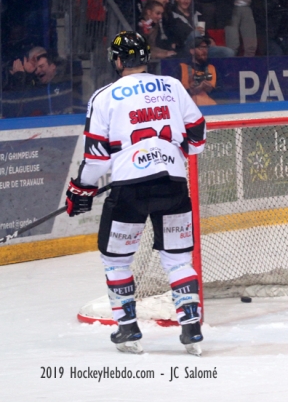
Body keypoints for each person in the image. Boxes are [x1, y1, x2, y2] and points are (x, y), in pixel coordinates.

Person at [65, 31, 206, 355]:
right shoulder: (172, 86)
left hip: (130, 189)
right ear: (146, 57)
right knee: (178, 259)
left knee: (116, 261)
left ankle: (128, 331)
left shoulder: (104, 96)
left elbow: (97, 161)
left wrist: (81, 189)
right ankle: (192, 329)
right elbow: (198, 135)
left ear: (116, 60)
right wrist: (171, 155)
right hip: (172, 184)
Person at [179, 37, 217, 106]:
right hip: (189, 107)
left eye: (206, 48)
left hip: (211, 107)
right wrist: (196, 88)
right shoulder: (182, 68)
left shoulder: (211, 68)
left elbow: (221, 93)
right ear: (192, 51)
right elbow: (177, 93)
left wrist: (209, 88)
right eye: (201, 48)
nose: (204, 51)